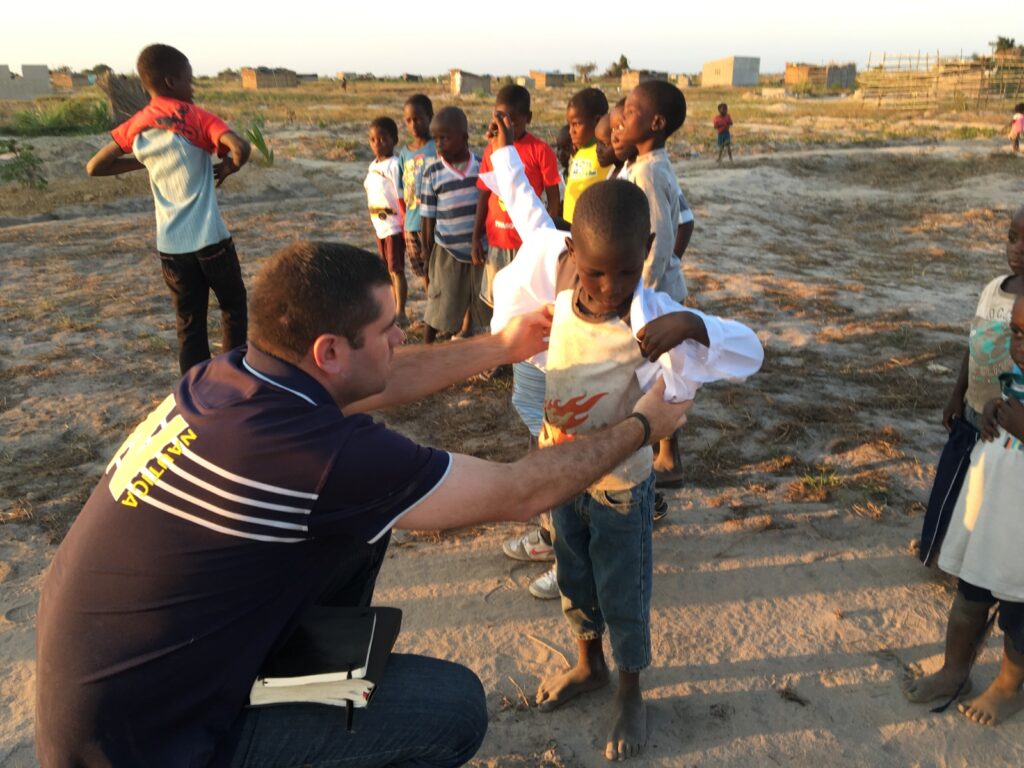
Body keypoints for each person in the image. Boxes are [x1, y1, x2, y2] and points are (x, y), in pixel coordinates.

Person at [34, 239, 693, 768]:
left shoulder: (226, 379)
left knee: (365, 527)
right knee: (455, 708)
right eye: (389, 328)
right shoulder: (323, 461)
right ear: (328, 350)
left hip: (108, 699)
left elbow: (374, 379)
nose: (402, 338)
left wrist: (501, 346)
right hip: (148, 747)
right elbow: (524, 491)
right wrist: (643, 427)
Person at [485, 112, 764, 761]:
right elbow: (527, 212)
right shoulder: (555, 290)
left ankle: (631, 688)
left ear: (646, 257)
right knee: (574, 578)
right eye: (595, 273)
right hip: (560, 480)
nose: (609, 288)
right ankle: (590, 664)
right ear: (572, 257)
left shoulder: (655, 315)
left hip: (620, 490)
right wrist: (502, 159)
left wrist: (693, 324)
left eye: (625, 272)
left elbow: (748, 351)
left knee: (624, 591)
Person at [86, 44, 251, 374]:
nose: (192, 88)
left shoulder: (138, 123)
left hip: (171, 248)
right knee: (233, 307)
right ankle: (232, 378)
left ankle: (194, 388)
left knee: (189, 322)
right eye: (189, 81)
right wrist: (231, 167)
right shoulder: (197, 116)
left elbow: (95, 167)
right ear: (172, 81)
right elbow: (240, 147)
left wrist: (143, 162)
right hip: (211, 240)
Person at [904, 294, 1024, 727]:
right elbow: (1005, 401)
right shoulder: (1017, 372)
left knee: (1019, 615)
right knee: (969, 594)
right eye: (1017, 332)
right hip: (995, 507)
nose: (1021, 344)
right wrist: (993, 409)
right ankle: (955, 670)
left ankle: (1008, 688)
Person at [917, 206, 1024, 566]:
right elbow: (974, 343)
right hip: (971, 409)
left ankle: (976, 566)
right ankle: (937, 553)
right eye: (1012, 238)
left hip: (1007, 423)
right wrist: (955, 393)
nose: (1018, 248)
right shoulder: (993, 288)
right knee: (953, 484)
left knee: (987, 496)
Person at [617, 80, 693, 487]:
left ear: (656, 122)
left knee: (658, 377)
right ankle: (662, 452)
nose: (623, 118)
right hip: (658, 293)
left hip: (654, 296)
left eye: (630, 112)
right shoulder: (647, 163)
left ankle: (668, 459)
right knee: (658, 375)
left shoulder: (648, 172)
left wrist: (637, 296)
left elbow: (660, 241)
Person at [473, 84, 561, 307]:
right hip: (498, 241)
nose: (507, 126)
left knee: (527, 302)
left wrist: (547, 239)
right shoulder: (491, 149)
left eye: (513, 120)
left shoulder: (541, 151)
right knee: (499, 299)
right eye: (501, 119)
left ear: (528, 118)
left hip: (527, 243)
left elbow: (553, 201)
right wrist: (476, 236)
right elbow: (484, 194)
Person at [419, 106, 489, 343]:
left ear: (465, 137)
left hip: (478, 248)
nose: (439, 144)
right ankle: (427, 344)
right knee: (441, 301)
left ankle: (465, 333)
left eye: (445, 138)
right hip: (447, 248)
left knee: (475, 296)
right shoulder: (432, 173)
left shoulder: (481, 167)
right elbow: (427, 217)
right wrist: (427, 252)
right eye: (436, 139)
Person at [364, 116, 408, 326]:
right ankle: (391, 307)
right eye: (373, 140)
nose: (377, 144)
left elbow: (401, 194)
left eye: (382, 139)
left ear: (394, 140)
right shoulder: (373, 166)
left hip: (393, 226)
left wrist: (405, 221)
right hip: (379, 226)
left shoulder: (394, 165)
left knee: (396, 269)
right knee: (387, 269)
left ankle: (401, 311)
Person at [397, 94, 436, 292]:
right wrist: (405, 219)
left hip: (433, 222)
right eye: (408, 120)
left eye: (418, 119)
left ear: (430, 117)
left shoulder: (437, 147)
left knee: (435, 266)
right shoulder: (404, 153)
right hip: (412, 223)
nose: (413, 124)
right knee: (421, 269)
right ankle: (431, 304)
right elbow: (401, 190)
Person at [563, 87, 610, 224]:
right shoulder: (579, 151)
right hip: (570, 222)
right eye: (569, 125)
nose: (571, 131)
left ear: (597, 121)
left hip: (591, 225)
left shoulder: (605, 152)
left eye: (576, 124)